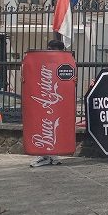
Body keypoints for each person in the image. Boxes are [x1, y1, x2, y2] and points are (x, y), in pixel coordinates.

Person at [30, 39, 68, 167]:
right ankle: (45, 155)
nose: (50, 51)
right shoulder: (43, 61)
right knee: (44, 125)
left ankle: (52, 156)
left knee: (54, 126)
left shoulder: (66, 61)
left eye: (52, 49)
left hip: (58, 100)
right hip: (45, 100)